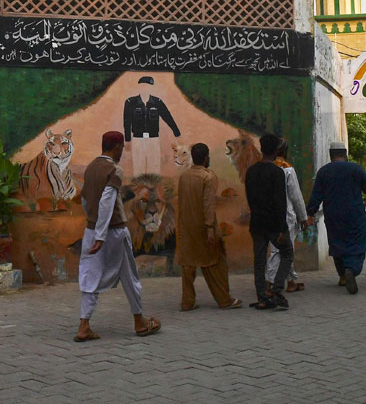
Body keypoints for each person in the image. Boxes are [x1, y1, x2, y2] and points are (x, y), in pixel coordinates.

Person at [75, 131, 161, 341]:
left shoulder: (91, 168)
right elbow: (106, 202)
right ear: (117, 147)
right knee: (129, 276)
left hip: (92, 229)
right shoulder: (115, 170)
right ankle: (140, 321)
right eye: (122, 147)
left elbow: (85, 200)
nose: (122, 151)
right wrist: (102, 236)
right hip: (113, 232)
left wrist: (93, 225)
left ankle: (84, 325)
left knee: (89, 275)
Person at [175, 143, 242, 311]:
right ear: (206, 158)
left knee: (188, 264)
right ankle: (224, 299)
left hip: (186, 226)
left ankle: (187, 301)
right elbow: (208, 204)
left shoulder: (184, 176)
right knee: (215, 261)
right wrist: (210, 228)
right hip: (204, 227)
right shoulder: (208, 176)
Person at [306, 141, 366, 295]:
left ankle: (342, 277)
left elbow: (316, 196)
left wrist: (310, 212)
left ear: (330, 155)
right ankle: (351, 269)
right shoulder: (356, 169)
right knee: (358, 245)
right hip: (355, 215)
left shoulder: (323, 172)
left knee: (337, 244)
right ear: (345, 154)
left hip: (333, 216)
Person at [244, 133, 293, 311]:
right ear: (277, 151)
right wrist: (282, 229)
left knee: (259, 261)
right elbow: (280, 203)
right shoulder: (277, 172)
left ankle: (262, 298)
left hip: (256, 222)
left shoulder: (251, 171)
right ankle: (277, 290)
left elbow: (250, 198)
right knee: (287, 253)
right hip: (273, 224)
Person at [265, 140, 308, 294]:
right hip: (286, 216)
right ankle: (270, 283)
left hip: (269, 215)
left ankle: (290, 281)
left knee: (284, 250)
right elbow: (295, 195)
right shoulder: (287, 169)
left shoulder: (265, 168)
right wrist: (303, 217)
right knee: (281, 250)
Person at [123, 77, 181, 176]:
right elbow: (127, 121)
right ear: (139, 87)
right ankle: (139, 189)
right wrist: (128, 140)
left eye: (148, 86)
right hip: (138, 139)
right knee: (138, 166)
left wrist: (177, 133)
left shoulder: (157, 102)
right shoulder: (130, 102)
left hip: (153, 139)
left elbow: (168, 117)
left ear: (151, 87)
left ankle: (153, 189)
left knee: (154, 166)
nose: (145, 88)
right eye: (143, 86)